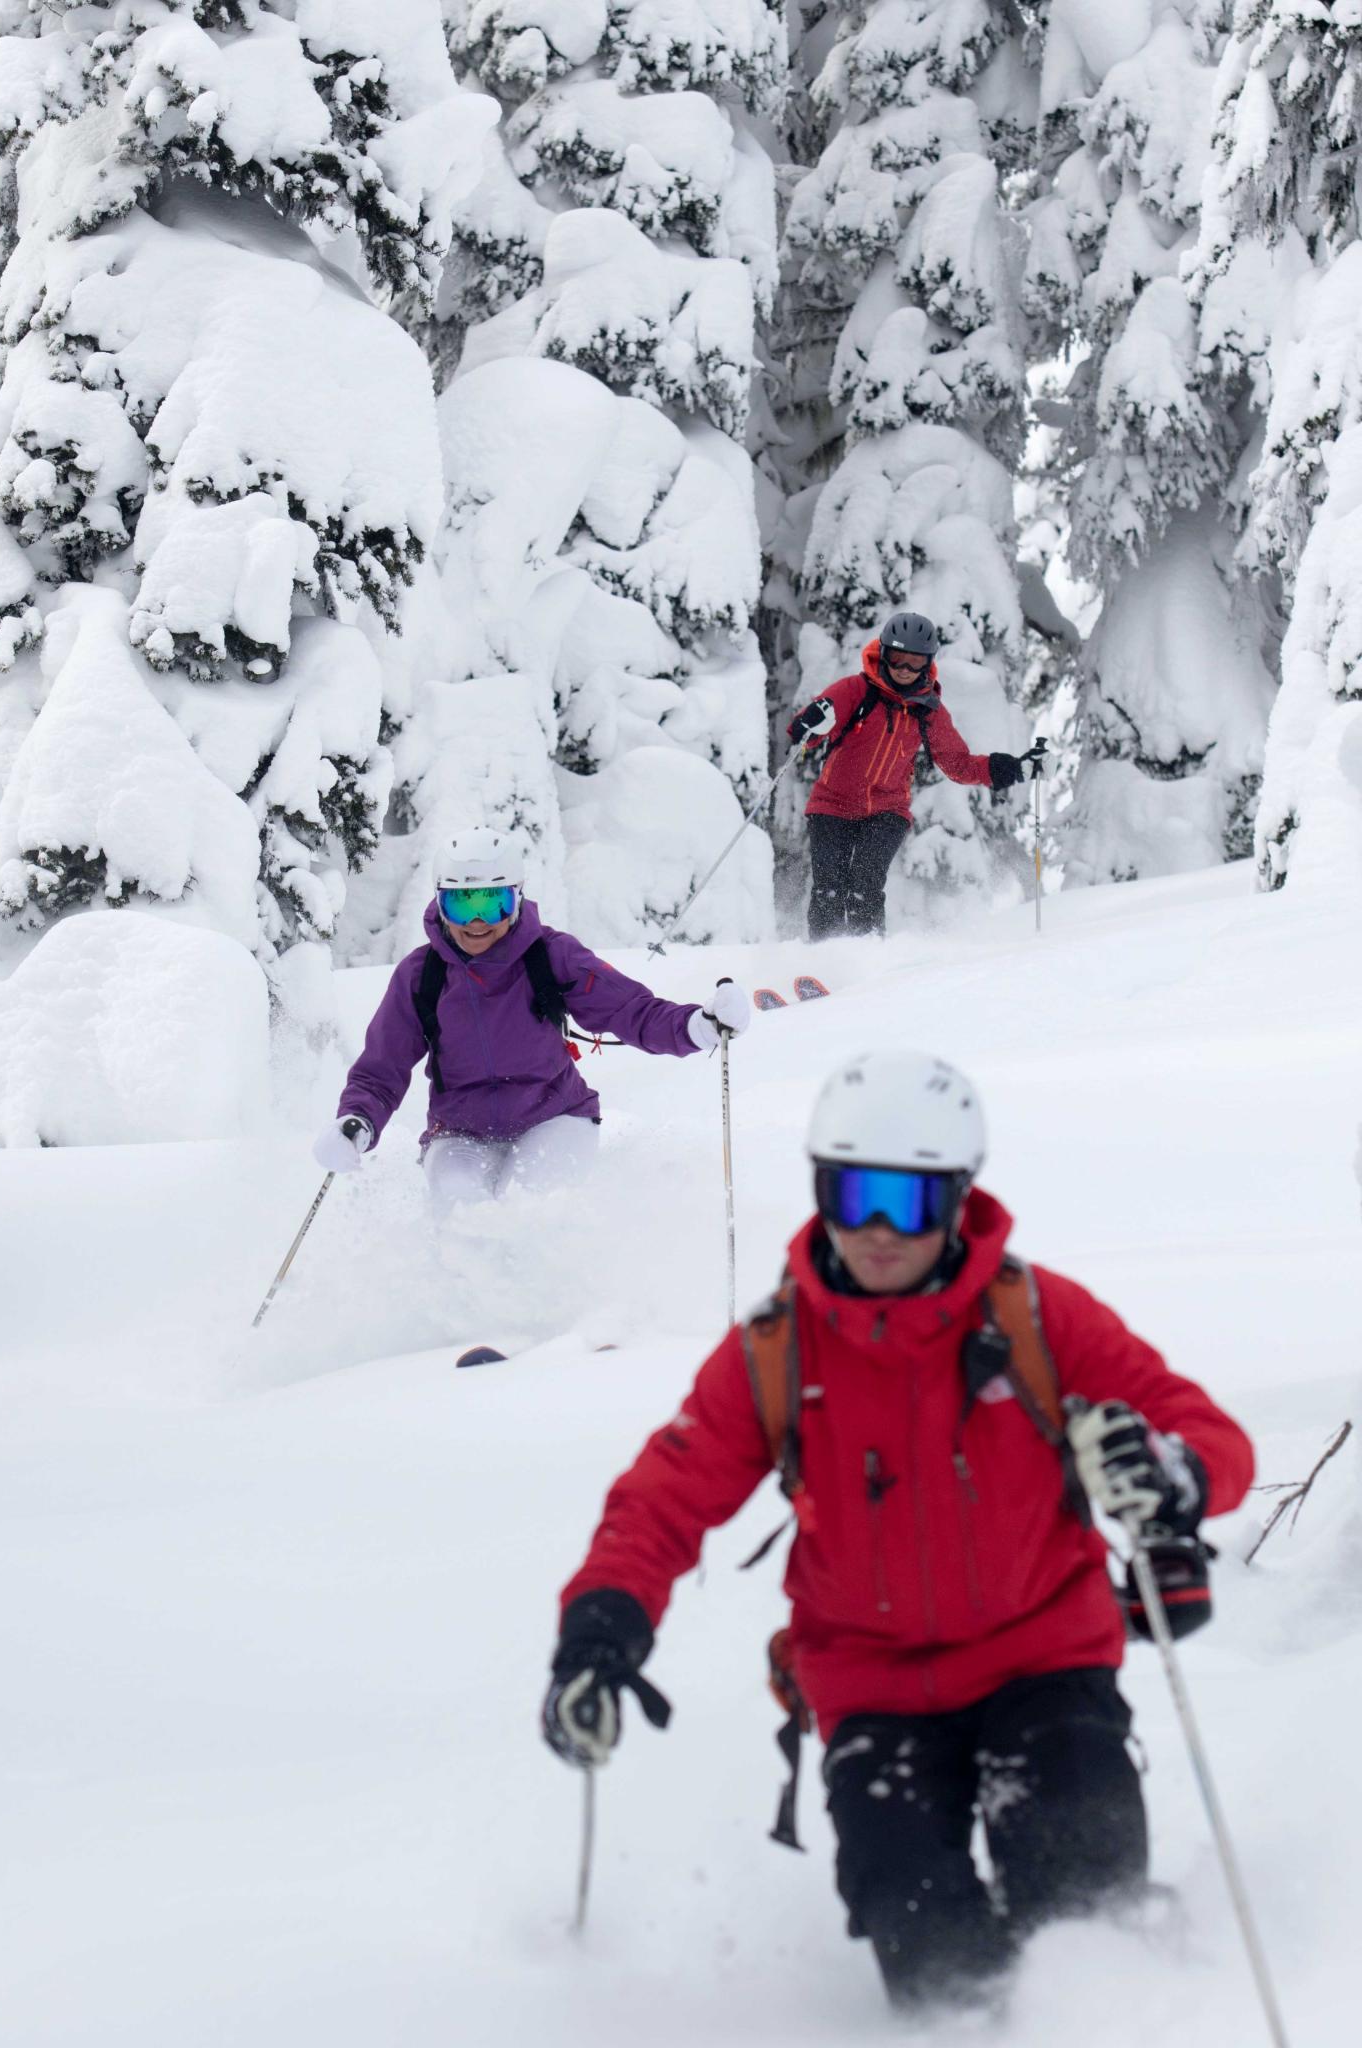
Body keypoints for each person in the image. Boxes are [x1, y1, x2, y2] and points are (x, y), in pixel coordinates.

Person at [541, 1050, 1254, 2013]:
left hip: (1043, 1662)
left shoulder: (1036, 1317)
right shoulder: (778, 1348)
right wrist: (601, 1628)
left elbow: (1205, 1430)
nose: (878, 1230)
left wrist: (1174, 1475)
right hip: (872, 1691)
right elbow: (663, 1500)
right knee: (936, 1973)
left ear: (957, 1200)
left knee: (1086, 1918)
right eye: (854, 1194)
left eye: (908, 1203)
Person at [313, 827, 750, 1218]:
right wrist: (357, 1120)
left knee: (532, 1207)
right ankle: (460, 1286)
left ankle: (554, 1283)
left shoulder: (550, 956)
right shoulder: (421, 975)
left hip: (554, 1118)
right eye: (462, 904)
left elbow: (629, 1009)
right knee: (460, 1210)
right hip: (460, 1132)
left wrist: (697, 1025)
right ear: (441, 905)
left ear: (516, 899)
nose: (478, 922)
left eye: (493, 903)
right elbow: (382, 1067)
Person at [786, 611, 1045, 939]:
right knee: (829, 886)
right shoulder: (855, 690)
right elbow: (812, 726)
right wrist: (807, 724)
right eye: (898, 659)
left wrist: (1010, 769)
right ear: (884, 654)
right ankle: (824, 954)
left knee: (866, 883)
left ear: (928, 663)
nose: (905, 669)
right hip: (832, 805)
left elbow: (957, 763)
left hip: (887, 811)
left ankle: (866, 953)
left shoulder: (927, 710)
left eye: (915, 662)